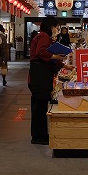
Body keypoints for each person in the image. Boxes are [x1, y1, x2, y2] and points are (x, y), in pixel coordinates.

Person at [28, 16, 66, 145]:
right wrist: (55, 56)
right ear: (51, 27)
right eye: (57, 27)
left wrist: (65, 66)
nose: (58, 30)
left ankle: (40, 134)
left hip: (41, 74)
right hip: (39, 75)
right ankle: (39, 136)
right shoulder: (43, 36)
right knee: (39, 105)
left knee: (40, 104)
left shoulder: (45, 37)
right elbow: (41, 52)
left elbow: (49, 58)